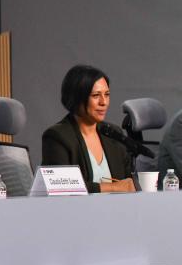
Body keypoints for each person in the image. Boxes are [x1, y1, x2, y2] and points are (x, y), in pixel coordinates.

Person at [41, 65, 135, 193]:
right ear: (76, 98)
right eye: (96, 95)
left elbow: (128, 183)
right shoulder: (57, 137)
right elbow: (61, 187)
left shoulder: (113, 134)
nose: (104, 102)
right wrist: (112, 187)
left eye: (107, 94)